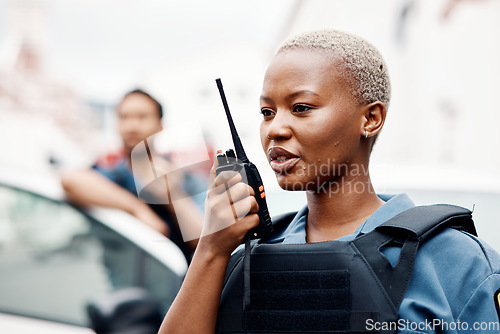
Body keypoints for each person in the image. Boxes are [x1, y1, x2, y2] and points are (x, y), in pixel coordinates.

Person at [158, 30, 500, 333]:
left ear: (371, 118)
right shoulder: (238, 261)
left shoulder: (458, 263)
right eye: (267, 112)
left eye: (302, 107)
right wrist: (211, 249)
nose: (275, 128)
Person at [61, 89, 205, 261]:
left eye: (142, 117)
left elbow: (204, 242)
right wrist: (138, 209)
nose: (132, 126)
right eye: (124, 117)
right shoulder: (113, 177)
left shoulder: (187, 180)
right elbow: (70, 180)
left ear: (160, 125)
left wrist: (174, 195)